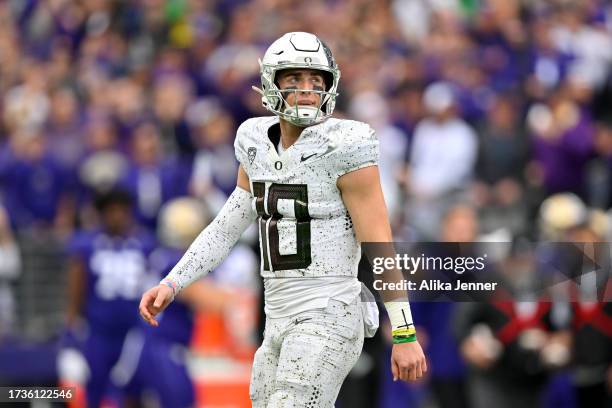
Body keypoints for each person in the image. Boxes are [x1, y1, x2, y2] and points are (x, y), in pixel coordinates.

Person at [139, 32, 426, 407]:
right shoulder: (253, 139)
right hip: (276, 316)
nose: (307, 90)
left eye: (315, 81)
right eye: (294, 80)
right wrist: (174, 282)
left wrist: (404, 332)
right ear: (271, 84)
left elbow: (379, 243)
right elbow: (228, 224)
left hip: (329, 311)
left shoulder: (347, 144)